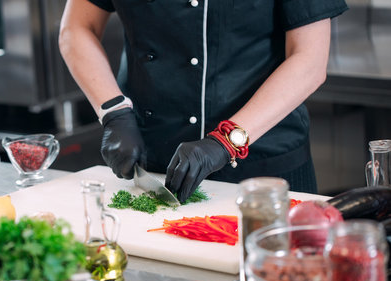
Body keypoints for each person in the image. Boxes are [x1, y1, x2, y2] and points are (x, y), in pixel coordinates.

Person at [58, 0, 348, 203]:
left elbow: (309, 59)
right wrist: (113, 110)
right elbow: (77, 28)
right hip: (152, 165)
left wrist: (226, 141)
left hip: (264, 171)